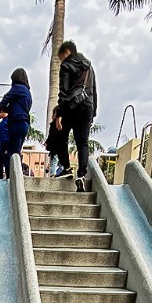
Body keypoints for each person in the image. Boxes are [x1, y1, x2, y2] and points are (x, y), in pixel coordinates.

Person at [55, 40, 97, 192]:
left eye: (61, 56)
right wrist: (93, 113)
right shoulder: (89, 67)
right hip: (87, 107)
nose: (61, 59)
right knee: (83, 143)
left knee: (61, 137)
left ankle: (66, 168)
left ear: (67, 52)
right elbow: (94, 90)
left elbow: (63, 91)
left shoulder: (66, 66)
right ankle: (82, 175)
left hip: (71, 106)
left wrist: (59, 114)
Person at [0, 68, 32, 180]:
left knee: (13, 153)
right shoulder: (27, 92)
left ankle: (14, 178)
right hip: (24, 123)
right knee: (17, 150)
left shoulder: (17, 88)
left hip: (16, 123)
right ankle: (15, 176)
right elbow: (16, 107)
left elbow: (6, 98)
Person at [45, 109, 69, 177]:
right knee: (56, 162)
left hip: (57, 148)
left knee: (56, 162)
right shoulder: (56, 125)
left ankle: (55, 174)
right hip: (56, 149)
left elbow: (51, 136)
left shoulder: (58, 124)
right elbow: (51, 136)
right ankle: (54, 173)